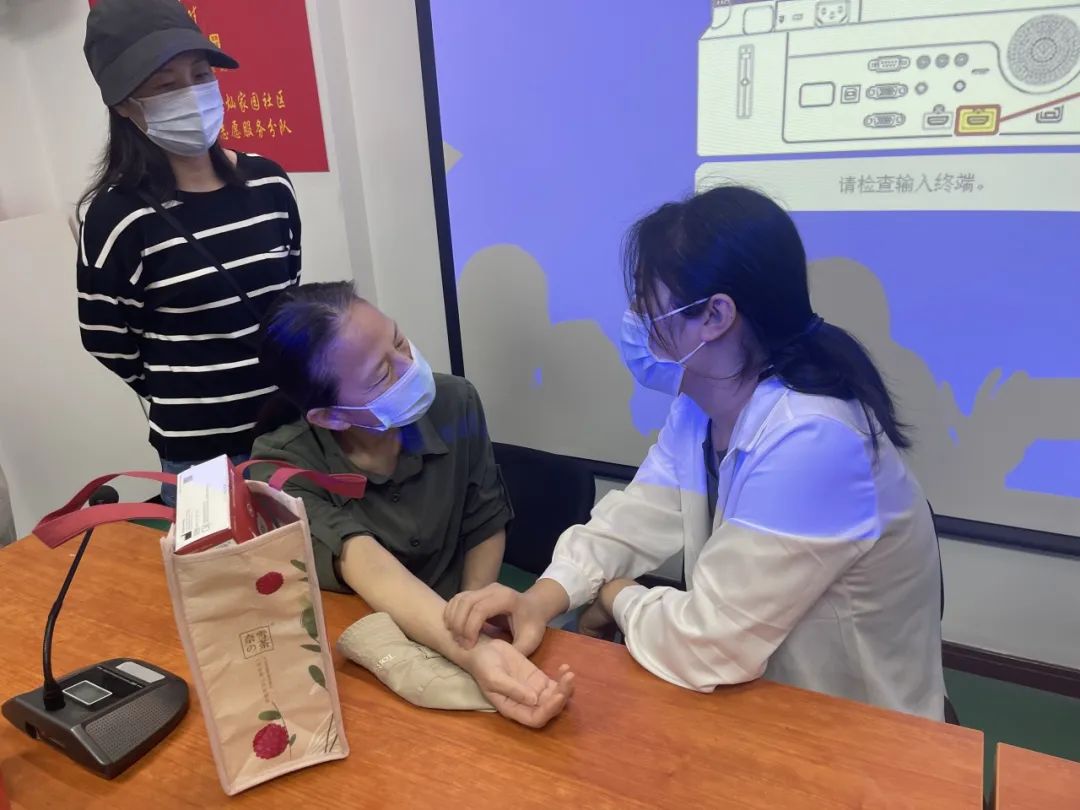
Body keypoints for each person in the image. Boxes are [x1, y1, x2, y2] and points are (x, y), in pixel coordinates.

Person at [445, 185, 947, 720]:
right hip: (764, 703)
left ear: (716, 315)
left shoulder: (815, 438)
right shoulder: (702, 406)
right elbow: (631, 520)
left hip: (863, 731)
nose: (635, 317)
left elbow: (708, 643)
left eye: (647, 301)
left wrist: (616, 596)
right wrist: (539, 600)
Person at [251, 282, 574, 728]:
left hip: (463, 639)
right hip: (368, 658)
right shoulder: (280, 467)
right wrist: (469, 648)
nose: (409, 367)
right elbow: (364, 562)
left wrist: (471, 614)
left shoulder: (456, 401)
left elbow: (485, 518)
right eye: (381, 374)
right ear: (331, 416)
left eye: (399, 341)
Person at [77, 0, 301, 504]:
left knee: (307, 550)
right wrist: (186, 386)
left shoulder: (269, 183)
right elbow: (107, 339)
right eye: (165, 85)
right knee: (219, 557)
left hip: (289, 433)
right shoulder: (117, 217)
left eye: (200, 75)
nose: (193, 94)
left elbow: (287, 294)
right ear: (124, 105)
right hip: (198, 455)